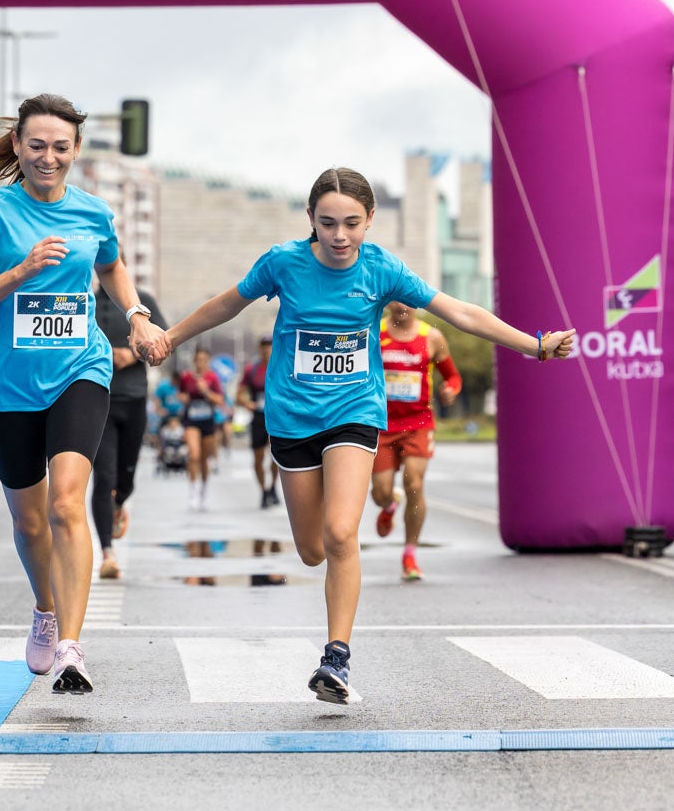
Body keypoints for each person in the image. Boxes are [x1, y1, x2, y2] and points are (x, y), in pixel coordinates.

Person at [134, 166, 574, 705]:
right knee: (313, 549)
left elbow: (458, 311)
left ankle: (336, 659)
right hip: (293, 419)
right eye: (327, 223)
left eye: (351, 224)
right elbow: (228, 303)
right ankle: (329, 608)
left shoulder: (381, 268)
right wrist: (170, 337)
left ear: (370, 221)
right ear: (310, 222)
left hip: (354, 411)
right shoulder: (284, 264)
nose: (339, 236)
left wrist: (533, 345)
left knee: (343, 534)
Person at [0, 92, 167, 694]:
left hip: (80, 370)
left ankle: (71, 645)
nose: (49, 157)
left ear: (76, 152)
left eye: (61, 148)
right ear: (18, 147)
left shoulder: (93, 212)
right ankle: (46, 610)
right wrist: (20, 271)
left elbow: (113, 265)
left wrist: (136, 314)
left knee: (68, 503)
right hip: (5, 387)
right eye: (38, 145)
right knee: (29, 521)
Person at [369, 301, 462, 581]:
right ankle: (389, 505)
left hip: (418, 423)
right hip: (382, 425)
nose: (402, 306)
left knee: (414, 484)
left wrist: (450, 389)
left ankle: (410, 553)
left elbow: (453, 377)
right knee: (380, 491)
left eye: (408, 300)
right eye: (396, 300)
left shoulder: (432, 337)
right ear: (388, 304)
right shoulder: (375, 331)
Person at [91, 266, 167, 579]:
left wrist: (130, 355)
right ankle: (107, 553)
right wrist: (103, 354)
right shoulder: (84, 302)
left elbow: (164, 340)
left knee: (127, 476)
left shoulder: (143, 301)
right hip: (98, 399)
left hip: (134, 399)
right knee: (103, 476)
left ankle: (120, 501)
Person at [179, 347, 227, 511]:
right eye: (198, 360)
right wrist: (184, 398)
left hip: (207, 421)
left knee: (205, 460)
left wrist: (206, 391)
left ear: (208, 361)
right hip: (191, 420)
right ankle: (192, 492)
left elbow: (220, 400)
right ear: (194, 361)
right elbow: (181, 394)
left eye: (203, 360)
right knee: (194, 455)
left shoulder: (212, 378)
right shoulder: (186, 377)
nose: (200, 363)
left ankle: (203, 492)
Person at [237, 335, 281, 509]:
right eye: (263, 346)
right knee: (257, 458)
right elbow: (239, 395)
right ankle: (263, 490)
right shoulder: (252, 370)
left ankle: (273, 487)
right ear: (259, 349)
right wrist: (247, 403)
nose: (266, 350)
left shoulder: (280, 366)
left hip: (277, 416)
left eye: (269, 346)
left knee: (276, 456)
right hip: (258, 417)